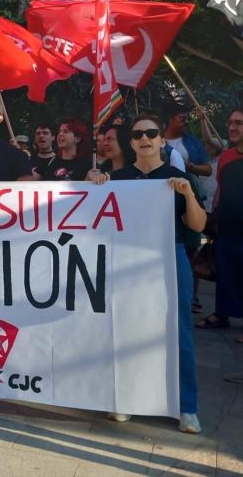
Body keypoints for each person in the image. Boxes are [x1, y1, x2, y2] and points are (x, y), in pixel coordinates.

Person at [101, 113, 205, 433]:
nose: (144, 139)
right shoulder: (117, 178)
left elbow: (198, 225)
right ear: (131, 143)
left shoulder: (179, 176)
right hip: (127, 259)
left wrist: (188, 194)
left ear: (161, 140)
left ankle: (187, 407)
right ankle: (126, 398)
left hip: (170, 255)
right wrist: (95, 186)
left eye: (151, 133)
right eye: (138, 135)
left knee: (178, 330)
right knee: (126, 328)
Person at [197, 107, 243, 337]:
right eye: (230, 122)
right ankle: (221, 314)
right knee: (225, 270)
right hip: (226, 226)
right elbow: (220, 190)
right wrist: (214, 217)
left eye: (239, 123)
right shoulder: (226, 156)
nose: (232, 127)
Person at [163, 102, 212, 179]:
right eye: (182, 119)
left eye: (187, 119)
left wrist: (191, 167)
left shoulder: (193, 141)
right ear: (170, 119)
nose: (187, 122)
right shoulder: (154, 141)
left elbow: (208, 170)